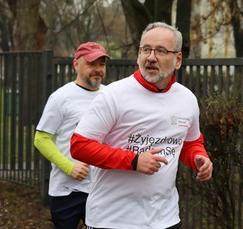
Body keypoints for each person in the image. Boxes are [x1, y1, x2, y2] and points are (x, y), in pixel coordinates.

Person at [70, 22, 213, 229]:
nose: (151, 57)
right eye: (146, 49)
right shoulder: (114, 95)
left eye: (161, 51)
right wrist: (134, 161)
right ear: (139, 55)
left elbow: (190, 143)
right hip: (113, 220)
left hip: (166, 219)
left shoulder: (187, 99)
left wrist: (199, 158)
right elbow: (79, 146)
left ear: (178, 59)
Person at [34, 42, 110, 229]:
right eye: (92, 64)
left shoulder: (111, 96)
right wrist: (69, 167)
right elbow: (41, 139)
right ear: (76, 64)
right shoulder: (61, 98)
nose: (98, 70)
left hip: (102, 189)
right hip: (66, 191)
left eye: (102, 64)